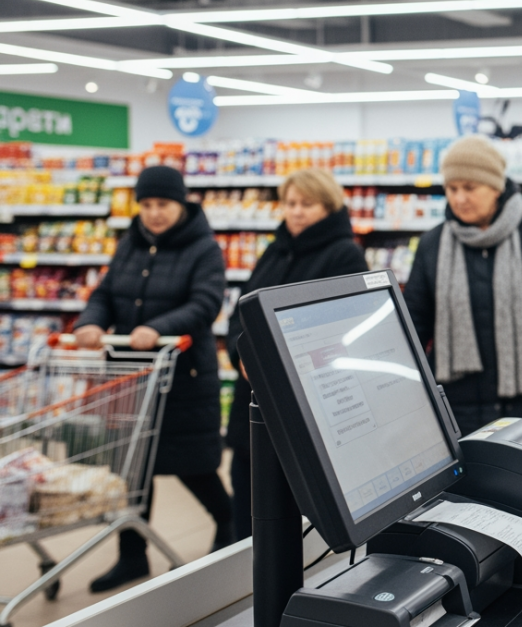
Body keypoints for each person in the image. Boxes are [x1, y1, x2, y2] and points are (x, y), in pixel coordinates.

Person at [73, 165, 233, 592]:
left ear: (180, 203)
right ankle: (132, 555)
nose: (154, 213)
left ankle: (230, 524)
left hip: (181, 375)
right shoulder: (129, 243)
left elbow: (205, 303)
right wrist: (90, 323)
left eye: (162, 204)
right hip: (130, 375)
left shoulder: (204, 248)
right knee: (131, 469)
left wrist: (158, 328)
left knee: (192, 465)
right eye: (146, 204)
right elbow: (105, 294)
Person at [404, 135, 522, 433]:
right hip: (459, 406)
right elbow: (414, 325)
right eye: (452, 188)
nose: (459, 198)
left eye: (470, 188)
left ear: (495, 186)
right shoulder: (433, 244)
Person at [225, 168, 368, 541]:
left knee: (286, 508)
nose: (297, 211)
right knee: (246, 488)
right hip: (253, 400)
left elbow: (340, 329)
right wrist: (238, 353)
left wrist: (276, 365)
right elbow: (238, 312)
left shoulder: (344, 255)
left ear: (328, 207)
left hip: (305, 403)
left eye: (308, 204)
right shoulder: (275, 249)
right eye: (290, 203)